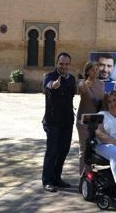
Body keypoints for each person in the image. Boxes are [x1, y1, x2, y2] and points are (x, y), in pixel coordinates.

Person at [42, 52, 77, 192]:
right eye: (61, 63)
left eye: (66, 64)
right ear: (57, 63)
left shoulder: (71, 79)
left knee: (64, 150)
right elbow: (48, 85)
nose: (64, 66)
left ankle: (57, 178)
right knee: (52, 151)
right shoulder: (49, 76)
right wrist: (54, 85)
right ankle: (47, 180)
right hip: (52, 121)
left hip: (67, 121)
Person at [76, 61, 105, 176]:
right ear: (87, 71)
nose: (96, 71)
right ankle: (83, 175)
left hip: (96, 119)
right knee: (84, 147)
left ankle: (90, 172)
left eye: (97, 69)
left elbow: (103, 100)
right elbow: (81, 90)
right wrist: (87, 84)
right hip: (83, 119)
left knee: (93, 146)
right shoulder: (82, 82)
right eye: (93, 69)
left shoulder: (101, 84)